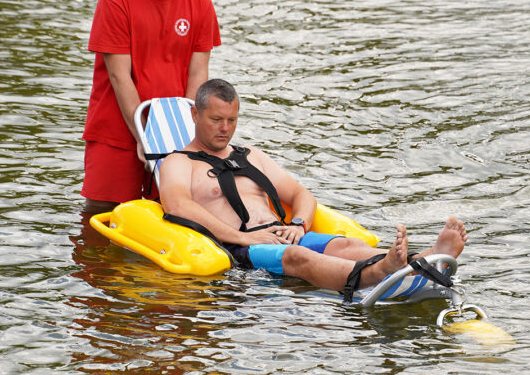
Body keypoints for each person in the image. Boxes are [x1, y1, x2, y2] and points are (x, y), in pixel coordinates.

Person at [159, 79, 467, 297]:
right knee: (296, 256)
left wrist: (298, 223)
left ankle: (425, 258)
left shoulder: (248, 154)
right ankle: (378, 272)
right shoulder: (178, 162)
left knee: (343, 246)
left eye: (232, 120)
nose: (225, 129)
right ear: (195, 114)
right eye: (216, 120)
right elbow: (179, 206)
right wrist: (243, 236)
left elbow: (300, 195)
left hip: (282, 232)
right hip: (243, 249)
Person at [81, 0, 221, 213]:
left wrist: (190, 137)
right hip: (117, 129)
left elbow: (198, 74)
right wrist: (143, 137)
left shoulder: (200, 4)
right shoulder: (115, 2)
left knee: (176, 213)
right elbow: (120, 78)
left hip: (174, 131)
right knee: (101, 215)